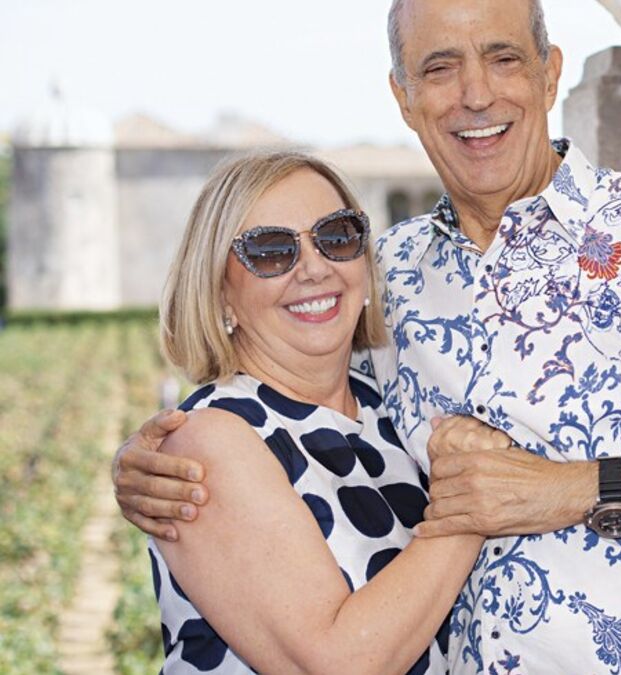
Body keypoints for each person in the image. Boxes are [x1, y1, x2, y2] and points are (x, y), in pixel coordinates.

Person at [114, 1, 621, 672]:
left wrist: (577, 488)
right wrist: (156, 460)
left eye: (503, 57)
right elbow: (300, 419)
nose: (476, 93)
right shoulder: (389, 272)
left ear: (549, 73)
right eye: (440, 68)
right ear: (404, 97)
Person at [144, 150, 511, 673]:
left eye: (336, 236)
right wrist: (471, 502)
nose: (314, 268)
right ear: (220, 292)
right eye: (270, 250)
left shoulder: (392, 400)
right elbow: (340, 663)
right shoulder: (210, 444)